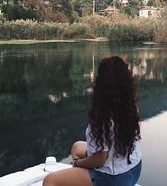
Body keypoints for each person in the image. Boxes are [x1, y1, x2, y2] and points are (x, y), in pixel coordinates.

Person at [43, 56, 142, 186]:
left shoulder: (103, 116)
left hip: (114, 179)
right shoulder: (130, 106)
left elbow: (100, 159)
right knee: (77, 147)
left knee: (50, 181)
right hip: (134, 169)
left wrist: (78, 163)